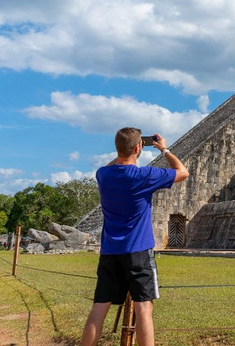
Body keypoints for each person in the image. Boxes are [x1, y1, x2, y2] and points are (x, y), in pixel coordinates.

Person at [80, 127, 189, 346]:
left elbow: (115, 162)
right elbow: (182, 171)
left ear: (117, 148)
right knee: (144, 307)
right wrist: (164, 149)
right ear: (139, 148)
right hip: (138, 251)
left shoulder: (103, 175)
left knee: (99, 307)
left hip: (110, 252)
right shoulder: (144, 176)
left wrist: (125, 149)